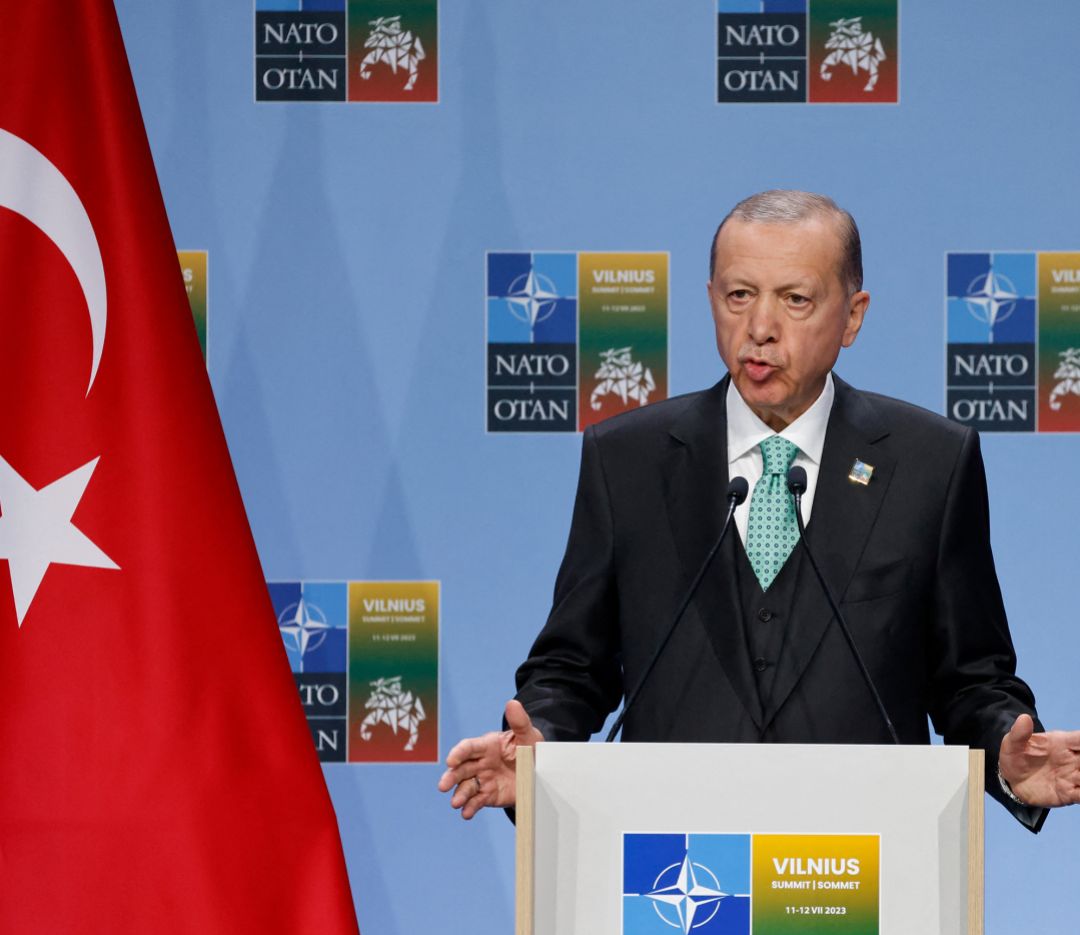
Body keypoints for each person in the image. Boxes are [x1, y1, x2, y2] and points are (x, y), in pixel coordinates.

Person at [439, 190, 1080, 829]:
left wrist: (1005, 755)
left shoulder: (930, 463)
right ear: (712, 298)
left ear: (853, 316)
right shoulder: (627, 459)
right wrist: (540, 743)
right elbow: (573, 666)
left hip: (856, 864)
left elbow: (970, 677)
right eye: (738, 295)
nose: (759, 328)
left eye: (795, 299)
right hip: (674, 866)